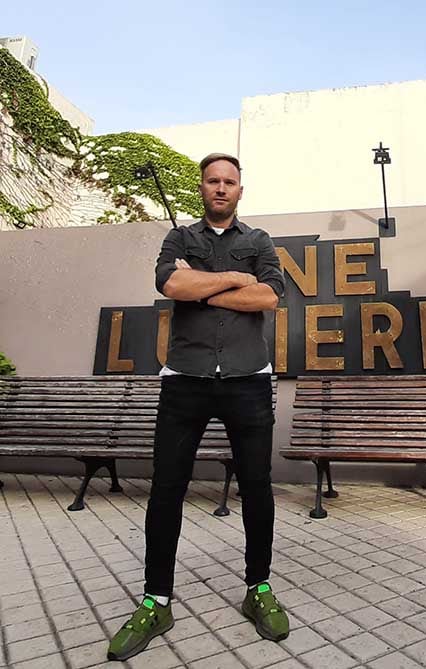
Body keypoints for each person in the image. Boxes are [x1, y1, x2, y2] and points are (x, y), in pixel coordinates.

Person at [107, 153, 289, 661]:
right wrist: (236, 282)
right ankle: (156, 600)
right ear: (202, 187)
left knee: (256, 488)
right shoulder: (179, 240)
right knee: (167, 490)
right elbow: (170, 285)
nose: (221, 188)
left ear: (240, 188)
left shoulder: (258, 242)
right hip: (184, 379)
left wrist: (205, 288)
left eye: (230, 181)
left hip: (248, 380)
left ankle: (259, 589)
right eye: (213, 180)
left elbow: (269, 299)